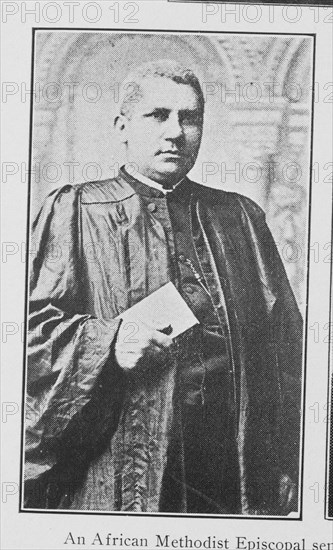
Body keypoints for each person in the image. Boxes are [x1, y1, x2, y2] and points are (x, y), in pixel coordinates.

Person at [24, 59, 302, 515]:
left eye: (189, 118)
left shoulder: (241, 219)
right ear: (122, 125)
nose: (175, 132)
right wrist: (108, 341)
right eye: (158, 115)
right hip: (117, 465)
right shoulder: (75, 210)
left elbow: (286, 349)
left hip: (227, 471)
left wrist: (293, 459)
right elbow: (29, 335)